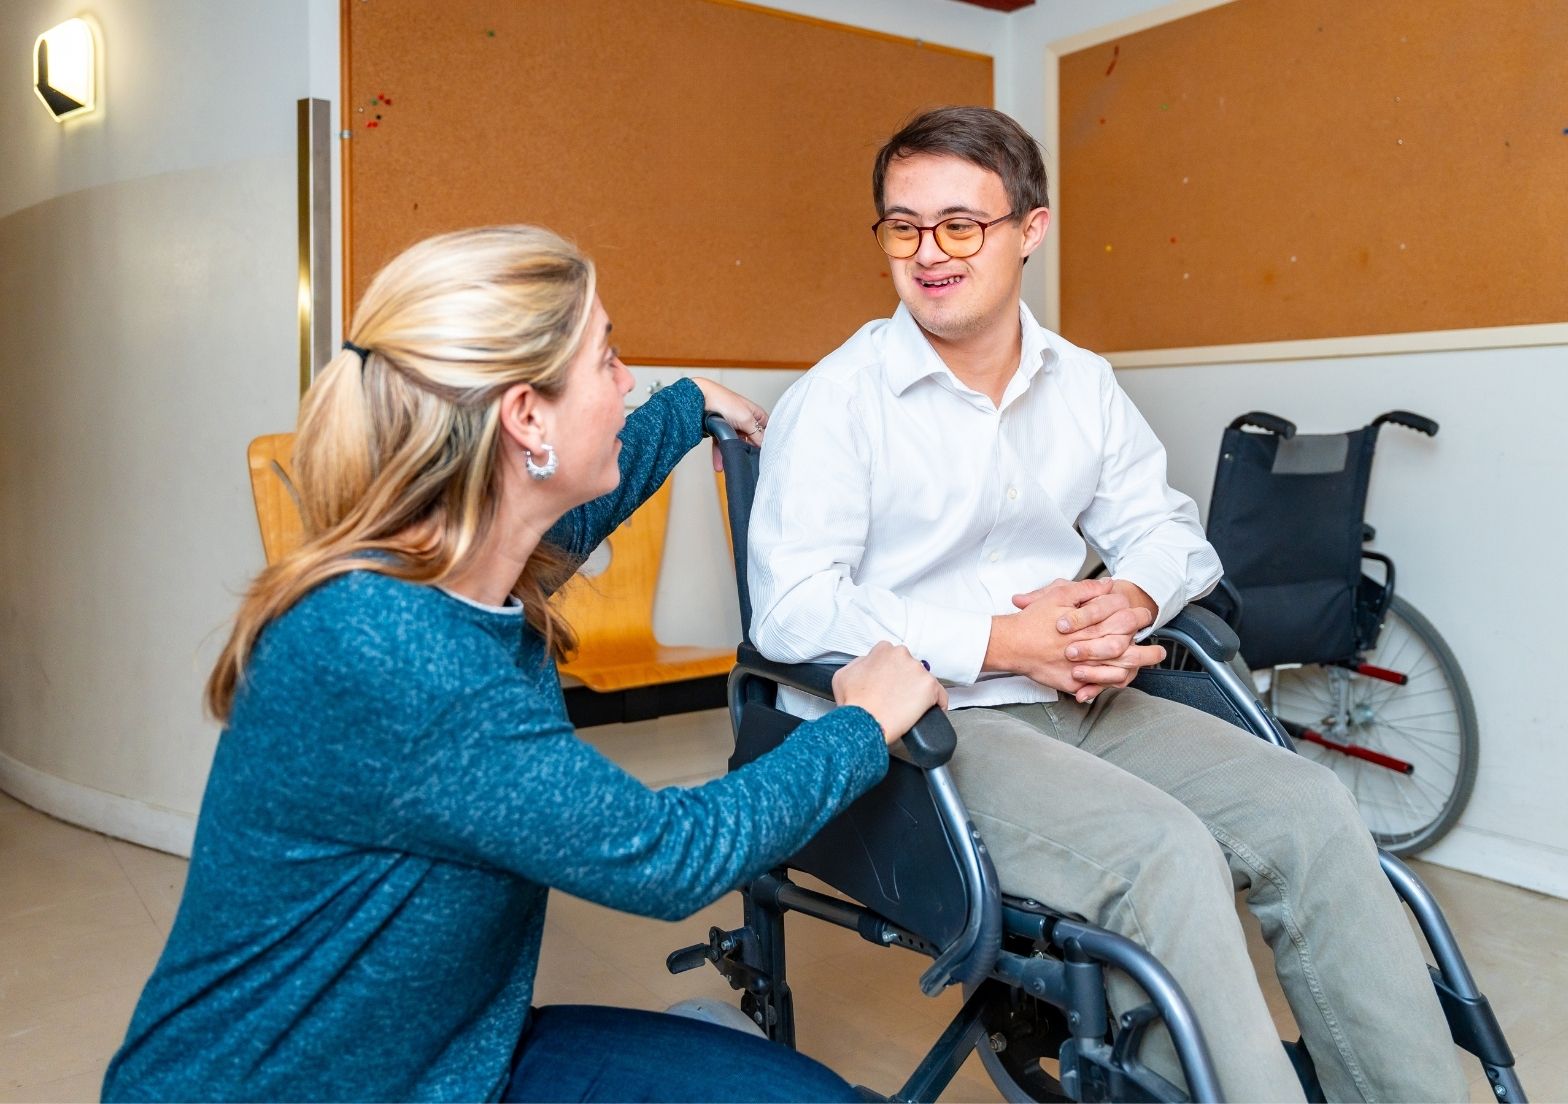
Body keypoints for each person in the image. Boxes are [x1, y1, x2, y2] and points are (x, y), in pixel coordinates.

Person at [102, 225, 945, 1103]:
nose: (627, 381)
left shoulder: (464, 561)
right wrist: (861, 723)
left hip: (456, 1058)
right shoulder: (396, 651)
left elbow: (586, 508)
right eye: (607, 359)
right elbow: (671, 857)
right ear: (526, 418)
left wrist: (690, 402)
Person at [747, 107, 1466, 1102]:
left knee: (1313, 809)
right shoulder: (838, 399)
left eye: (960, 224)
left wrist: (1126, 596)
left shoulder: (1080, 384)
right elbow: (790, 609)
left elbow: (1172, 534)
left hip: (1079, 701)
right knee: (1162, 855)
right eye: (903, 227)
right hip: (924, 728)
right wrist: (1006, 642)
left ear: (1029, 230)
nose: (928, 252)